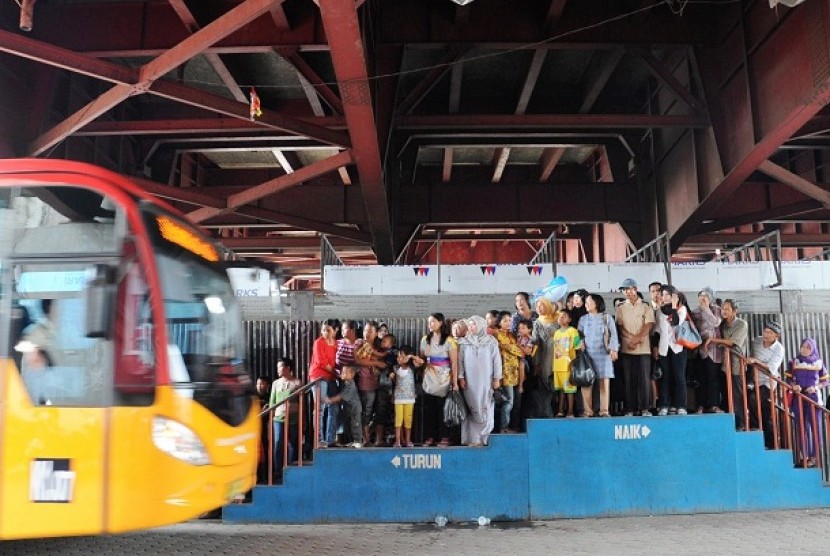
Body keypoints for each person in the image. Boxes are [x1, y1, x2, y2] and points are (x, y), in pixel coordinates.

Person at [458, 315, 502, 447]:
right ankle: (472, 438)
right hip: (470, 381)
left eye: (474, 325)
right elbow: (460, 361)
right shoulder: (464, 342)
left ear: (481, 325)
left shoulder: (491, 342)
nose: (471, 328)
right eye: (469, 325)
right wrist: (461, 377)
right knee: (472, 407)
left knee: (486, 406)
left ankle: (484, 438)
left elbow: (496, 361)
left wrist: (496, 378)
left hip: (486, 380)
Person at [785, 338, 828, 467]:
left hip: (813, 398)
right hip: (798, 397)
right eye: (803, 347)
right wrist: (793, 385)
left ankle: (814, 458)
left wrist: (815, 387)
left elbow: (825, 381)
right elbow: (788, 379)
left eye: (808, 347)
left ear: (813, 349)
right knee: (801, 427)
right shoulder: (793, 361)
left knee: (815, 427)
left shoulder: (819, 363)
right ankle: (805, 456)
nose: (804, 349)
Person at [706, 299, 749, 430]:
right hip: (723, 364)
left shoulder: (741, 324)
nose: (724, 311)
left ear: (735, 311)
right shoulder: (722, 324)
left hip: (736, 365)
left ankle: (740, 424)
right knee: (725, 394)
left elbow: (732, 342)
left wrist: (713, 340)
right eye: (722, 309)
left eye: (727, 309)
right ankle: (728, 425)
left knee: (737, 395)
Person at [616, 278, 655, 417]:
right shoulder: (620, 308)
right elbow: (620, 327)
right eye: (625, 289)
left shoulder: (646, 306)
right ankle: (630, 409)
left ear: (636, 289)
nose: (627, 292)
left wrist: (637, 338)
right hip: (627, 349)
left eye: (630, 289)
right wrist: (630, 339)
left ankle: (645, 408)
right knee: (628, 381)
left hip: (643, 349)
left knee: (644, 380)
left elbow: (648, 325)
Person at [418, 312, 459, 447]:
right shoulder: (425, 339)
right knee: (429, 409)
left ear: (440, 323)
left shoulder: (449, 341)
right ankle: (430, 437)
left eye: (433, 322)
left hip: (444, 378)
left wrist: (455, 382)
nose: (430, 324)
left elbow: (454, 362)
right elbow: (423, 358)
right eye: (429, 322)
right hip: (429, 377)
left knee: (443, 409)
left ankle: (445, 436)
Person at [578, 293, 619, 417]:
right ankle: (588, 411)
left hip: (603, 355)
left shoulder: (607, 318)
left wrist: (613, 349)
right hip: (587, 355)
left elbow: (614, 335)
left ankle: (604, 411)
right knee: (586, 383)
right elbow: (578, 335)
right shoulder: (583, 319)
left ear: (596, 303)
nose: (586, 305)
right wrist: (580, 344)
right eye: (585, 303)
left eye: (588, 302)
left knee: (604, 383)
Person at [745, 321, 785, 449]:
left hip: (769, 382)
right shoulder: (757, 341)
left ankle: (771, 444)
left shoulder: (779, 349)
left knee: (766, 412)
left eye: (770, 333)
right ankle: (755, 431)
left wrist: (756, 361)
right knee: (751, 403)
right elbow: (750, 355)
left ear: (776, 336)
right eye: (765, 331)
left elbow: (771, 368)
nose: (766, 335)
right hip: (754, 379)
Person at [656, 285, 690, 416]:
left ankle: (681, 405)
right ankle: (664, 405)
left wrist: (675, 306)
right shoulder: (659, 311)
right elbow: (657, 330)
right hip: (664, 348)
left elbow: (676, 322)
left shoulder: (681, 309)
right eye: (662, 295)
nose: (664, 297)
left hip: (678, 347)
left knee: (679, 377)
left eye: (667, 295)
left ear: (673, 296)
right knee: (665, 377)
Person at [691, 287, 723, 413]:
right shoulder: (694, 312)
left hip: (714, 350)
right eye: (701, 296)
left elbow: (715, 323)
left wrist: (706, 309)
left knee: (713, 378)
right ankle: (700, 405)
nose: (703, 298)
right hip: (699, 349)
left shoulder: (716, 309)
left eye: (706, 296)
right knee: (701, 378)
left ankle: (714, 405)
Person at [308, 320, 339, 447]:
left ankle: (330, 439)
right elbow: (321, 362)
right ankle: (319, 440)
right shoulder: (318, 343)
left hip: (331, 378)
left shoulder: (336, 343)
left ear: (334, 331)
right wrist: (337, 373)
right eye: (323, 330)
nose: (325, 332)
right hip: (318, 377)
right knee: (319, 409)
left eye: (328, 330)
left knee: (334, 408)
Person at [269, 358, 302, 471]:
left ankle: (291, 469)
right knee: (278, 443)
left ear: (288, 368)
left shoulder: (297, 383)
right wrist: (270, 418)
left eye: (280, 366)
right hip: (278, 418)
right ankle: (278, 470)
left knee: (292, 444)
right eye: (278, 367)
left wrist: (303, 419)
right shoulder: (275, 383)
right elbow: (272, 402)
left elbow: (301, 403)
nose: (278, 369)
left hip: (293, 418)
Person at [529, 297, 559, 418]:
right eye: (537, 306)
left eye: (541, 305)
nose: (539, 308)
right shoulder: (537, 322)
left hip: (559, 356)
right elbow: (535, 342)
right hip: (545, 356)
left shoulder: (558, 318)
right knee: (546, 381)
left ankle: (560, 409)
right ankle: (547, 412)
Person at [495, 310, 524, 432]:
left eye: (509, 320)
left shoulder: (511, 335)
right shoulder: (497, 335)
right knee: (508, 402)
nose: (508, 323)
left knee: (514, 403)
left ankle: (509, 426)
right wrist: (513, 348)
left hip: (514, 373)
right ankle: (504, 427)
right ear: (499, 322)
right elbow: (506, 348)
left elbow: (520, 352)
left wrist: (510, 347)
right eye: (505, 320)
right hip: (504, 373)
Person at [391, 345, 422, 447]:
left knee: (408, 420)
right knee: (398, 420)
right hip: (398, 398)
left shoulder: (412, 367)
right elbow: (394, 381)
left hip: (410, 398)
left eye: (402, 356)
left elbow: (421, 362)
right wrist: (391, 377)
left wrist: (411, 356)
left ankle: (408, 440)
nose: (399, 358)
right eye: (398, 356)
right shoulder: (395, 368)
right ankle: (398, 441)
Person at [326, 365, 363, 448]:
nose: (342, 374)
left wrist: (329, 400)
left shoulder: (351, 386)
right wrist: (331, 370)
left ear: (352, 375)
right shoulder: (344, 381)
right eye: (342, 372)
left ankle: (358, 441)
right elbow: (338, 376)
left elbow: (340, 397)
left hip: (355, 409)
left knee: (355, 425)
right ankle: (352, 440)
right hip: (348, 409)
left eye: (345, 373)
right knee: (349, 426)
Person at [552, 309, 580, 418]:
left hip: (568, 365)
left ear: (569, 319)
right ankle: (560, 410)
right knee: (561, 390)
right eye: (559, 316)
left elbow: (578, 346)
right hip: (558, 365)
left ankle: (570, 411)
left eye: (563, 316)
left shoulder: (573, 331)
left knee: (570, 390)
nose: (560, 318)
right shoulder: (556, 333)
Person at [256, 377, 271, 483]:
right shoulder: (252, 397)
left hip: (265, 428)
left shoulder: (269, 397)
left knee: (264, 452)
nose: (259, 386)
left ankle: (264, 477)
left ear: (267, 385)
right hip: (254, 429)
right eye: (258, 384)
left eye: (262, 384)